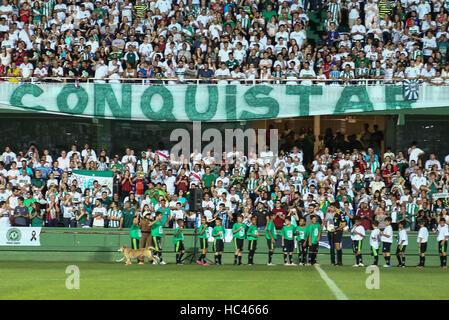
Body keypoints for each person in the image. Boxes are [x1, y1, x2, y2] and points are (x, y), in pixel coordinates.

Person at [327, 202, 346, 266]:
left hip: (338, 231)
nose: (331, 208)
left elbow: (344, 224)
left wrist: (337, 229)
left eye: (332, 207)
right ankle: (337, 262)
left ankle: (339, 262)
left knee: (337, 246)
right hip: (334, 231)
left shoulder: (341, 214)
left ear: (335, 207)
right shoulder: (335, 214)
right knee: (335, 246)